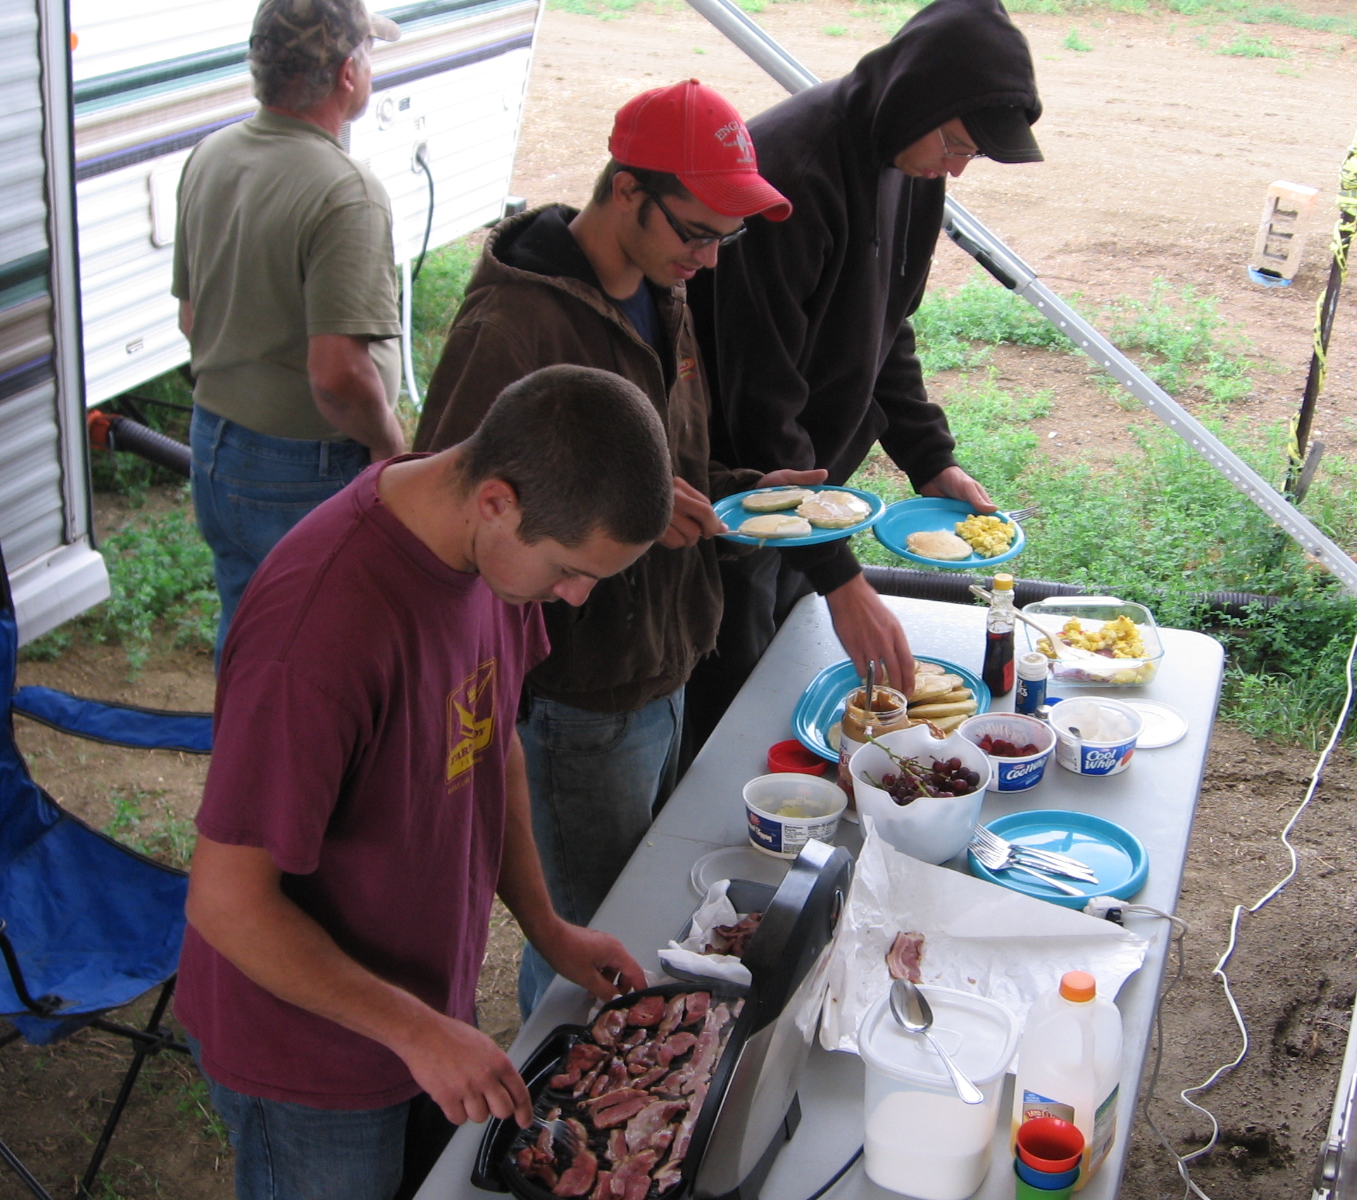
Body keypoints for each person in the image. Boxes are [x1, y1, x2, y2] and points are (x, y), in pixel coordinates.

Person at [178, 365, 670, 1200]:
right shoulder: (318, 635)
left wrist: (545, 924)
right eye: (568, 570)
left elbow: (493, 743)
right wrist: (418, 1030)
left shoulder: (492, 556)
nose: (576, 597)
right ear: (496, 502)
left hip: (420, 1018)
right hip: (310, 1060)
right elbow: (226, 903)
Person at [415, 80, 819, 1016]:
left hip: (665, 657)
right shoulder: (513, 329)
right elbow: (452, 522)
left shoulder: (654, 287)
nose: (711, 259)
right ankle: (549, 1110)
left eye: (728, 236)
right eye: (698, 231)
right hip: (578, 694)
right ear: (627, 192)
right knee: (593, 935)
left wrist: (727, 490)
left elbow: (653, 468)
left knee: (649, 899)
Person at [685, 0, 1043, 751]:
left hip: (812, 493)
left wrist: (929, 454)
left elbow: (888, 324)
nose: (955, 166)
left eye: (970, 154)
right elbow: (756, 391)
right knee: (729, 701)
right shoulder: (791, 171)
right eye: (954, 143)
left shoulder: (911, 164)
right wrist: (840, 574)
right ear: (915, 98)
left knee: (785, 668)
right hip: (738, 497)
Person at [173, 0, 409, 656]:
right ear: (345, 74)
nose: (370, 68)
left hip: (214, 442)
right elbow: (338, 375)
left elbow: (192, 319)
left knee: (249, 631)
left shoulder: (211, 155)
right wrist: (391, 449)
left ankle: (244, 757)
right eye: (367, 53)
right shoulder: (346, 191)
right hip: (304, 463)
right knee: (321, 653)